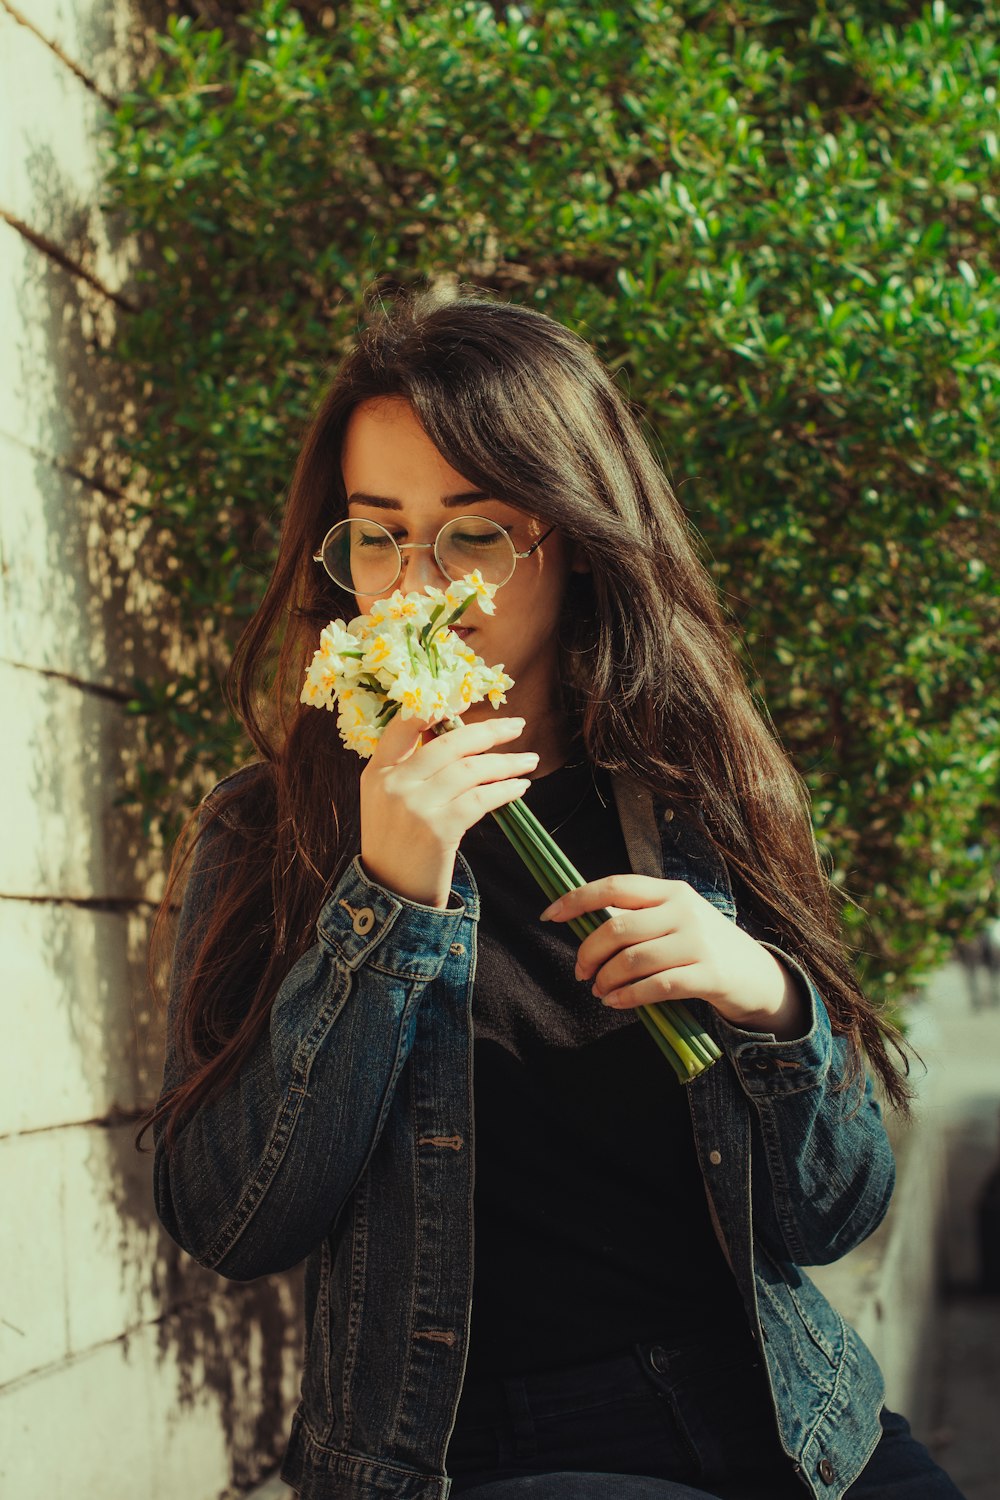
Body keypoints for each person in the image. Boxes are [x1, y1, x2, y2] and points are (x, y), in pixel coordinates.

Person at [146, 283, 965, 1500]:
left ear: (572, 538)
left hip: (789, 1413)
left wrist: (766, 1000)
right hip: (483, 1450)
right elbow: (228, 1218)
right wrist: (386, 902)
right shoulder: (274, 831)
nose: (416, 580)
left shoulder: (703, 792)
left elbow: (833, 1212)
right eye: (376, 533)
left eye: (473, 533)